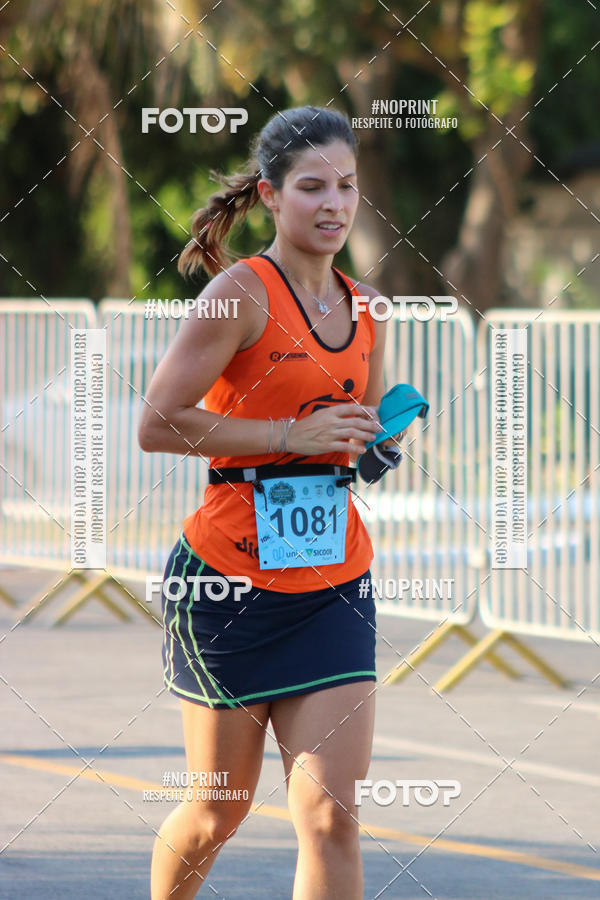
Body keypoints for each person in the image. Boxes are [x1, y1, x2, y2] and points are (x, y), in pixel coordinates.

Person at [138, 104, 391, 900]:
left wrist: (375, 444)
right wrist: (293, 431)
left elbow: (359, 432)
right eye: (312, 186)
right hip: (226, 589)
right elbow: (158, 423)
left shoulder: (369, 307)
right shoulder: (238, 293)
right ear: (272, 195)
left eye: (347, 186)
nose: (334, 204)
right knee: (219, 812)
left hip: (332, 586)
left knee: (330, 819)